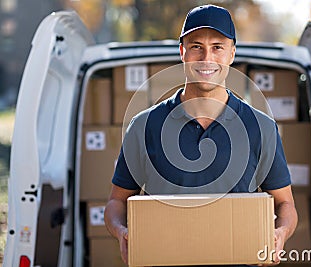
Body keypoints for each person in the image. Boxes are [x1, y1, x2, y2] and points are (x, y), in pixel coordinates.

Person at [104, 4, 297, 266]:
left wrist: (280, 233)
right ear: (182, 52)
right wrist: (122, 232)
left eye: (217, 47)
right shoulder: (144, 126)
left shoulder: (260, 127)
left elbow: (285, 204)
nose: (207, 57)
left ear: (232, 53)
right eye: (196, 46)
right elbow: (117, 202)